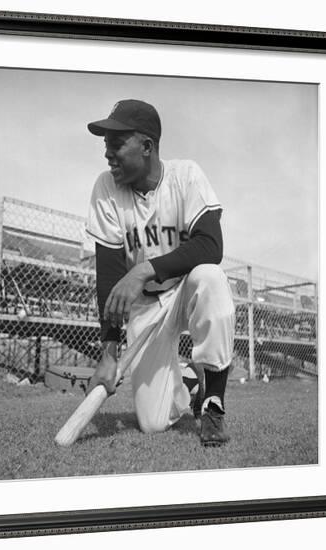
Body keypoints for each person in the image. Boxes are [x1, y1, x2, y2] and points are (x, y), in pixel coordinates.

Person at [84, 99, 235, 446]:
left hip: (186, 290)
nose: (108, 153)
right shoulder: (106, 188)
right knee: (152, 423)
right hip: (148, 307)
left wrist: (142, 271)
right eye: (106, 144)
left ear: (147, 146)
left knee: (211, 277)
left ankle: (213, 403)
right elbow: (108, 274)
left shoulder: (186, 175)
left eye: (116, 143)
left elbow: (211, 245)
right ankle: (189, 383)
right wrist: (108, 351)